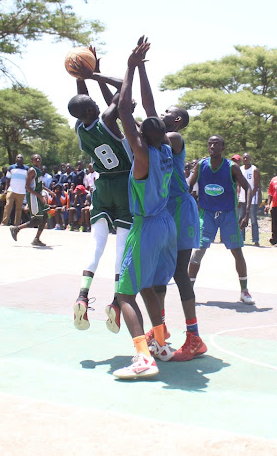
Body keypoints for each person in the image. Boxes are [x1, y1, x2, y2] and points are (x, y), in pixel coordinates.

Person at [111, 40, 177, 379]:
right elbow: (148, 110)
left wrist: (128, 66)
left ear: (141, 136)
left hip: (147, 226)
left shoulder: (142, 155)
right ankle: (162, 344)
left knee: (124, 294)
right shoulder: (165, 148)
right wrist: (141, 66)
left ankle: (142, 357)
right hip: (165, 224)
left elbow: (125, 110)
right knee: (150, 286)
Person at [136, 55, 206, 361]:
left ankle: (194, 337)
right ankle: (159, 330)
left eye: (167, 113)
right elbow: (138, 115)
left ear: (176, 120)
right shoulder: (156, 140)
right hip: (166, 212)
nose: (160, 114)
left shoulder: (174, 138)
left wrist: (140, 68)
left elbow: (148, 111)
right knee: (159, 274)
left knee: (178, 272)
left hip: (182, 210)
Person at [67, 47, 134, 334]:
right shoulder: (107, 119)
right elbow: (123, 87)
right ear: (93, 109)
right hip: (123, 183)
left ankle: (82, 295)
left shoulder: (80, 128)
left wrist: (80, 77)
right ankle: (116, 302)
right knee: (121, 247)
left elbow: (82, 102)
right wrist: (93, 73)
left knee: (96, 246)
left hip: (102, 186)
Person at [188, 135, 254, 304]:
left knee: (237, 252)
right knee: (198, 252)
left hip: (228, 214)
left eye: (216, 144)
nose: (212, 146)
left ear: (223, 148)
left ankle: (244, 291)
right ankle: (188, 291)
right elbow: (188, 186)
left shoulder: (232, 167)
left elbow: (248, 188)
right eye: (210, 144)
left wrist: (246, 214)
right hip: (207, 214)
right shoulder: (201, 166)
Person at [9, 154, 50, 246]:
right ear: (32, 161)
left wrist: (50, 192)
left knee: (45, 216)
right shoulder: (32, 170)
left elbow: (39, 185)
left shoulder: (39, 171)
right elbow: (27, 187)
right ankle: (16, 229)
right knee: (38, 220)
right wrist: (39, 196)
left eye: (39, 158)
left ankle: (36, 239)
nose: (38, 160)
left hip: (39, 196)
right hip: (33, 196)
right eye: (36, 159)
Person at [237, 153, 261, 247]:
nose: (245, 159)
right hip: (242, 198)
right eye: (244, 158)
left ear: (250, 159)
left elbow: (256, 185)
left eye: (247, 158)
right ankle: (241, 239)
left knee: (253, 219)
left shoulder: (254, 169)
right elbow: (238, 184)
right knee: (241, 218)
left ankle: (256, 240)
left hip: (252, 199)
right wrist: (238, 196)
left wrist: (251, 196)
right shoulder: (240, 169)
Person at [2, 154, 28, 226]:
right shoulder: (11, 167)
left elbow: (28, 180)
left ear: (23, 159)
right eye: (18, 157)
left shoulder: (26, 168)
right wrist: (5, 189)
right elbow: (8, 179)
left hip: (21, 191)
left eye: (21, 158)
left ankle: (16, 224)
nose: (20, 159)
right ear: (16, 159)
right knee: (8, 206)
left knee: (19, 208)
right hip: (12, 190)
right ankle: (4, 222)